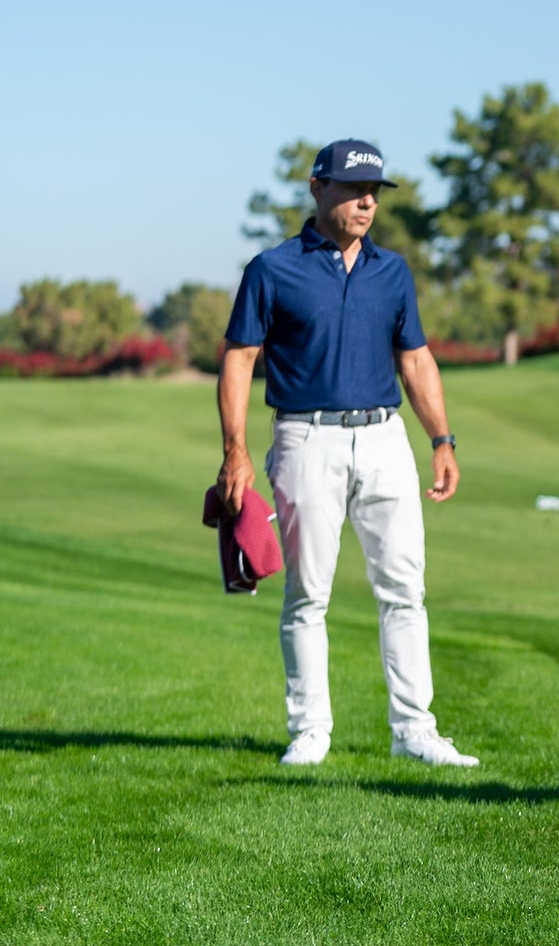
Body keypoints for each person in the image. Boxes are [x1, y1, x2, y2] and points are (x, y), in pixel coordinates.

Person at [216, 138, 477, 768]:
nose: (366, 203)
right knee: (308, 594)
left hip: (386, 437)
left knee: (404, 591)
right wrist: (235, 451)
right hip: (305, 439)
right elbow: (240, 359)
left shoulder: (393, 272)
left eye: (374, 193)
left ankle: (414, 731)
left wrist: (442, 439)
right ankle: (310, 732)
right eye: (354, 190)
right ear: (317, 188)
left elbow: (416, 360)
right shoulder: (271, 270)